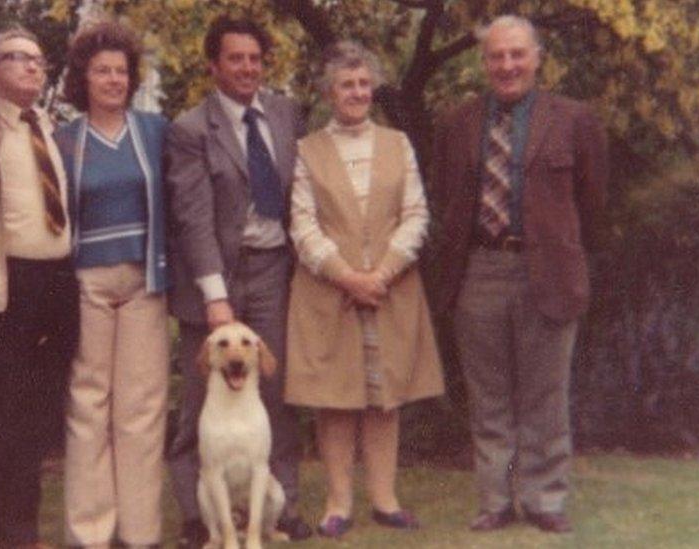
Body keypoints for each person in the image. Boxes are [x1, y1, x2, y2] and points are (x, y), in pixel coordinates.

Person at [430, 15, 608, 533]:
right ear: (484, 62)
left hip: (547, 269)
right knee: (488, 396)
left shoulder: (575, 120)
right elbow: (446, 196)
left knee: (545, 394)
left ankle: (545, 499)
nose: (507, 66)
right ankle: (495, 500)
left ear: (536, 58)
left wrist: (574, 260)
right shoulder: (456, 123)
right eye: (496, 56)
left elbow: (594, 205)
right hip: (479, 268)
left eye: (517, 55)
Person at [285, 41, 444, 538]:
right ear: (330, 92)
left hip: (392, 288)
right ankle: (337, 501)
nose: (356, 92)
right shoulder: (307, 151)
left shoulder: (398, 144)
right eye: (346, 84)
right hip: (329, 291)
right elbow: (302, 224)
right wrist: (348, 277)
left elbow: (416, 213)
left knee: (384, 396)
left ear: (372, 89)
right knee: (336, 398)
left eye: (363, 83)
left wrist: (383, 273)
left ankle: (385, 497)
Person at [165, 15, 312, 548]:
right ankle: (197, 514)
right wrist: (215, 295)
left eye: (254, 58)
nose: (247, 67)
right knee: (202, 397)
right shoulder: (189, 129)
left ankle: (278, 507)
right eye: (235, 58)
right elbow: (192, 215)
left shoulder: (284, 113)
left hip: (274, 266)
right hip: (216, 275)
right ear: (213, 65)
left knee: (272, 389)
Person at [52, 22, 169, 549]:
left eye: (121, 71)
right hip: (86, 283)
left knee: (141, 409)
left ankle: (140, 534)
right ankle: (90, 532)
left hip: (144, 279)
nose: (114, 79)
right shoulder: (64, 141)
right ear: (83, 77)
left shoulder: (153, 131)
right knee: (89, 406)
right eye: (102, 70)